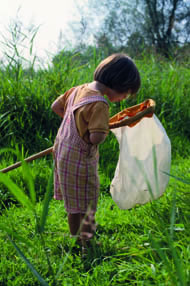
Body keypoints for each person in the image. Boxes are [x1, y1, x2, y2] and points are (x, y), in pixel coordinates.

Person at [51, 53, 141, 249]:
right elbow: (95, 138)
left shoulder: (78, 90)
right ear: (118, 83)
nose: (124, 98)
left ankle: (75, 239)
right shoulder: (100, 104)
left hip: (63, 155)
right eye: (125, 93)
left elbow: (56, 107)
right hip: (80, 160)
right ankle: (88, 245)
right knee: (88, 204)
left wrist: (75, 125)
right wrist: (103, 128)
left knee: (74, 206)